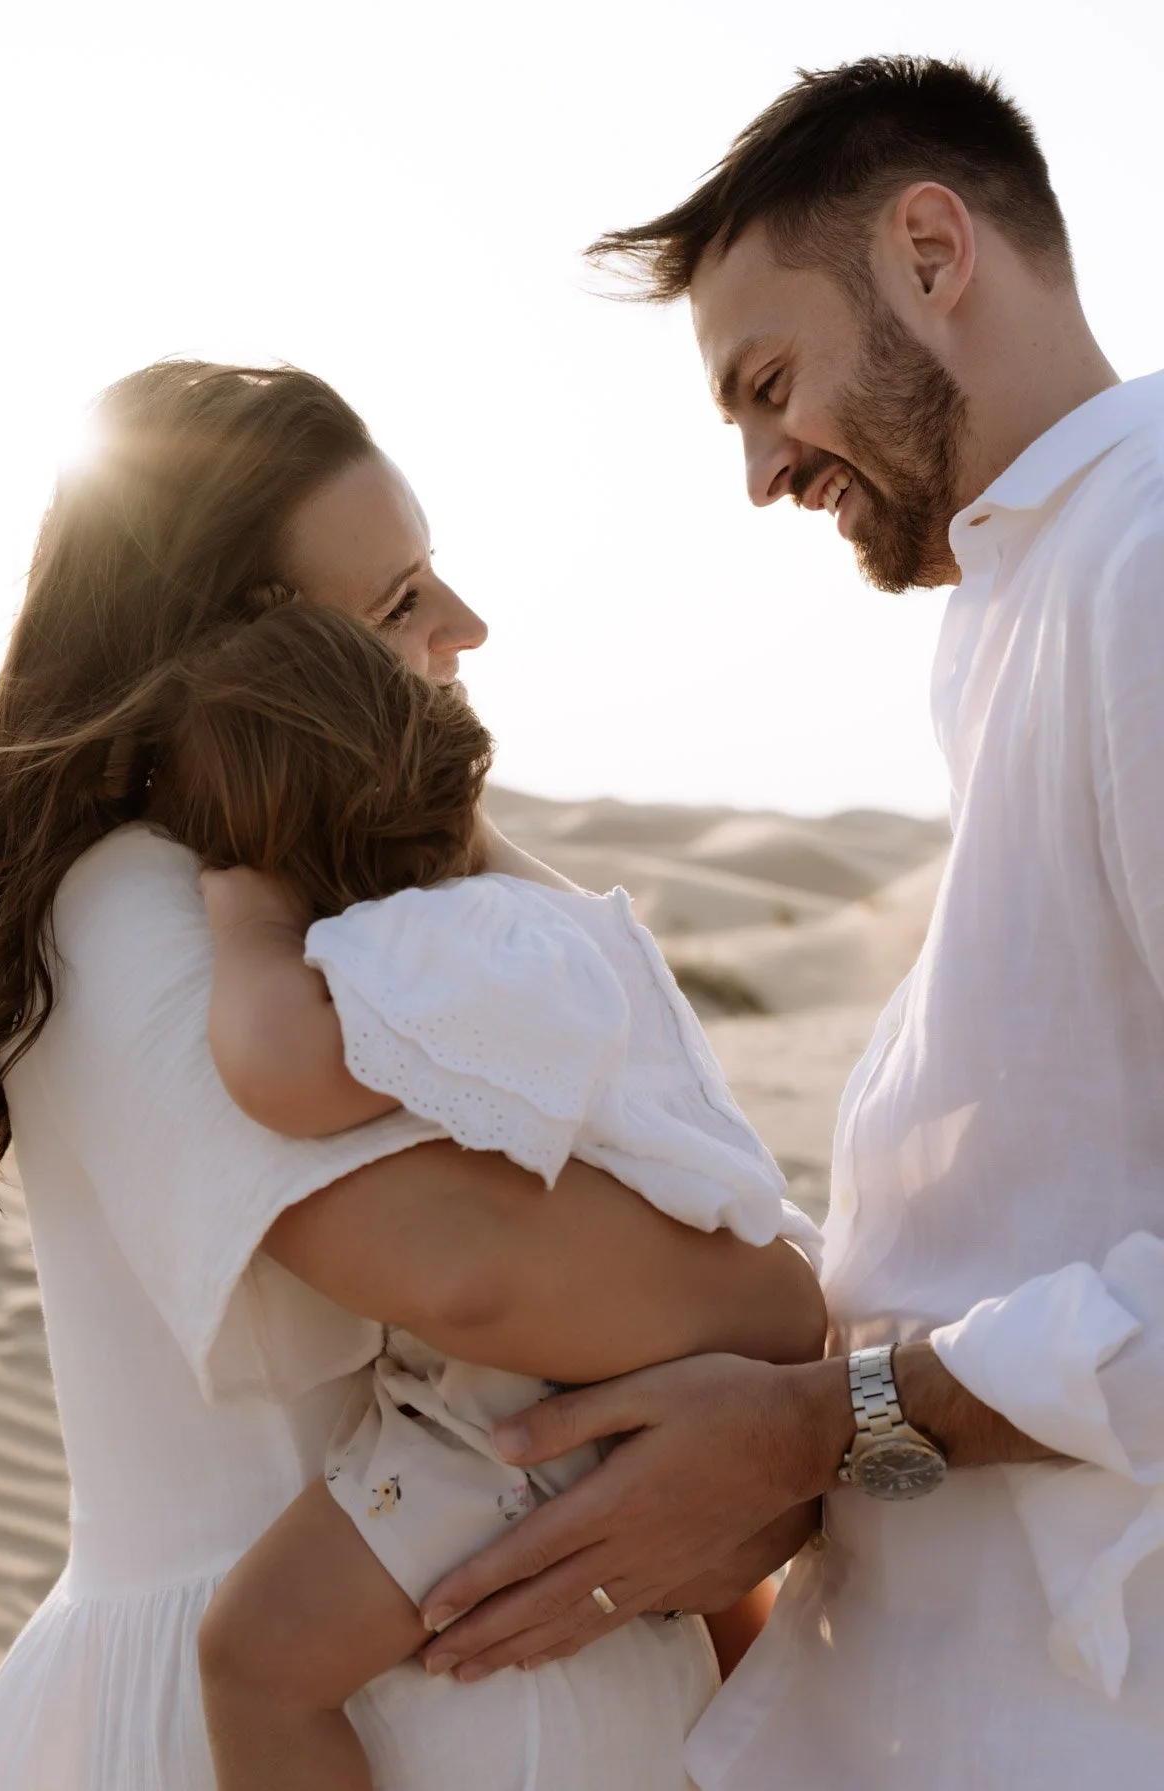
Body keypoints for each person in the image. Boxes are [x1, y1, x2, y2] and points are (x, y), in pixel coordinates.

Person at [414, 55, 1164, 1790]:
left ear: (927, 251)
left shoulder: (1143, 564)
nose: (761, 470)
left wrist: (827, 1426)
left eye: (770, 383)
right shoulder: (1020, 601)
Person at [0, 359, 823, 1790]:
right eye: (400, 599)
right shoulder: (133, 903)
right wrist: (786, 1301)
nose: (467, 625)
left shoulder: (343, 895)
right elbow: (471, 1264)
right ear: (252, 649)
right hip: (285, 1706)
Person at [122, 599, 823, 1790]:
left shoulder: (426, 950)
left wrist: (246, 920)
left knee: (255, 1661)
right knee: (720, 1623)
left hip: (538, 1413)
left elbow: (279, 1074)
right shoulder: (557, 921)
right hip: (705, 1359)